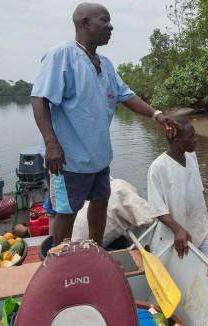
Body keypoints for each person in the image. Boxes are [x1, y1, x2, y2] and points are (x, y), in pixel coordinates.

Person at [31, 2, 178, 246]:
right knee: (66, 212)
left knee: (100, 203)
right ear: (85, 23)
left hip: (99, 158)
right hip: (68, 160)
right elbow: (39, 98)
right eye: (104, 20)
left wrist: (157, 115)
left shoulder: (106, 64)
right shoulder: (61, 55)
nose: (110, 26)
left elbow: (127, 95)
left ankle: (96, 251)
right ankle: (63, 262)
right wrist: (51, 144)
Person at [147, 119, 208, 271]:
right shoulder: (158, 168)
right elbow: (158, 210)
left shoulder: (191, 157)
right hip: (177, 233)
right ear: (177, 141)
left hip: (201, 227)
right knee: (186, 271)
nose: (195, 141)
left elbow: (198, 190)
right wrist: (178, 230)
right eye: (190, 138)